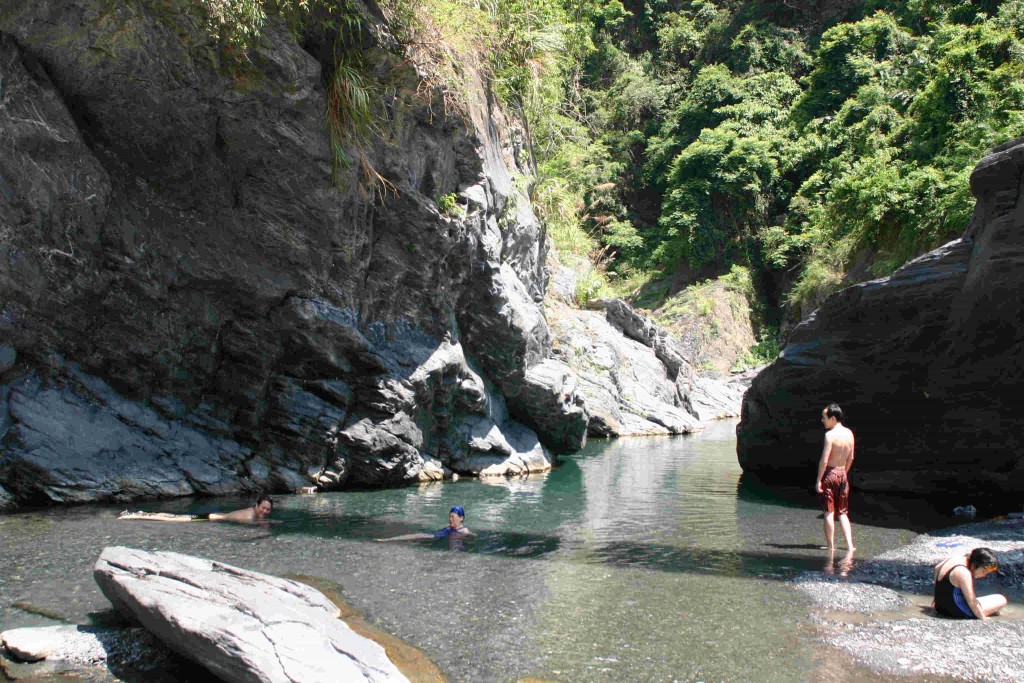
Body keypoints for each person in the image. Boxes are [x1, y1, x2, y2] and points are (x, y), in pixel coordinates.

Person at [815, 403, 855, 551]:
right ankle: (850, 546)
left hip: (830, 474)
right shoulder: (849, 433)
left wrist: (819, 480)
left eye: (824, 417)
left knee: (829, 511)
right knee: (843, 512)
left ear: (833, 418)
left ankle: (831, 546)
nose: (822, 420)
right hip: (843, 473)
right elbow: (851, 457)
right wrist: (844, 472)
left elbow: (824, 460)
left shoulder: (829, 435)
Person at [933, 547, 1007, 620]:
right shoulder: (963, 572)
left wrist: (936, 598)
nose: (984, 575)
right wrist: (982, 618)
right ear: (974, 565)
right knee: (1001, 599)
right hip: (957, 612)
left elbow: (937, 568)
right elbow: (972, 601)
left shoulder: (956, 558)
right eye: (984, 571)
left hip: (940, 607)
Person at [119, 495, 273, 523]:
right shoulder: (250, 517)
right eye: (263, 508)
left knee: (175, 517)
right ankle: (137, 515)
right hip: (211, 517)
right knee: (176, 520)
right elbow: (258, 526)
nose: (264, 511)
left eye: (267, 510)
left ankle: (141, 514)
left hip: (215, 515)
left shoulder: (253, 513)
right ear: (256, 505)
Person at [376, 506, 472, 542]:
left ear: (461, 518)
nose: (450, 519)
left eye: (453, 517)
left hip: (433, 538)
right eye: (449, 516)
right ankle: (388, 540)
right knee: (415, 536)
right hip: (433, 536)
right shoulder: (450, 527)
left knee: (416, 536)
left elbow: (471, 536)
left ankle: (387, 540)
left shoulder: (464, 530)